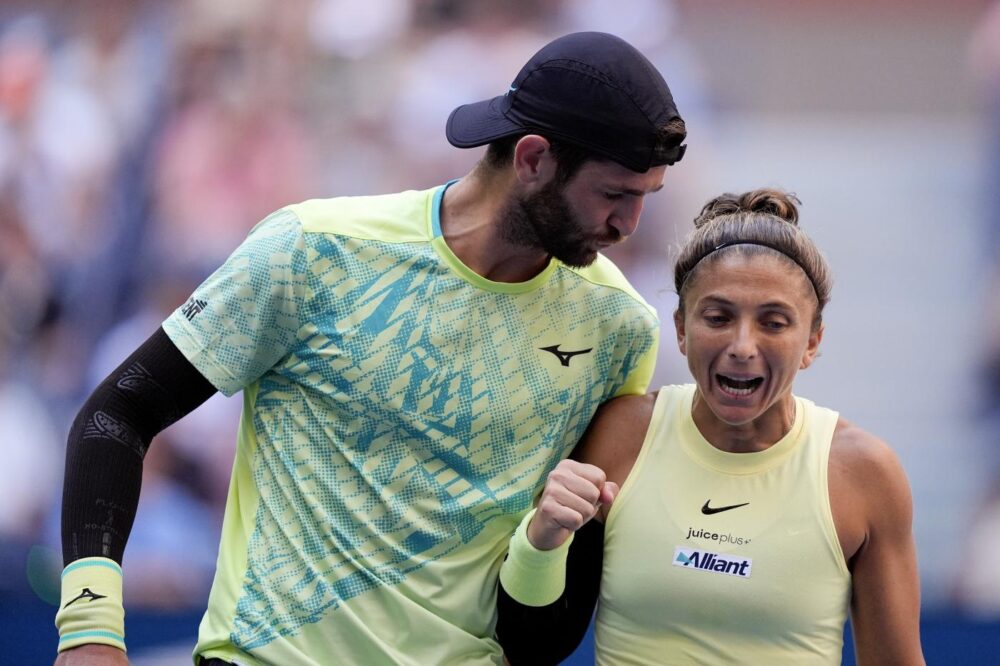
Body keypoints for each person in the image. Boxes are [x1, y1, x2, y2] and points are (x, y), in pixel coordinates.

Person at [53, 31, 687, 665]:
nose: (628, 225)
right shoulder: (312, 250)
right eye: (614, 194)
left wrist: (546, 543)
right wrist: (90, 627)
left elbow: (544, 627)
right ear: (532, 159)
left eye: (643, 199)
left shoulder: (620, 328)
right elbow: (118, 415)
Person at [495, 189, 925, 665]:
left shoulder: (863, 473)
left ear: (812, 341)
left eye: (774, 323)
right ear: (680, 329)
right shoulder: (624, 433)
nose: (742, 345)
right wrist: (541, 540)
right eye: (718, 318)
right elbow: (531, 645)